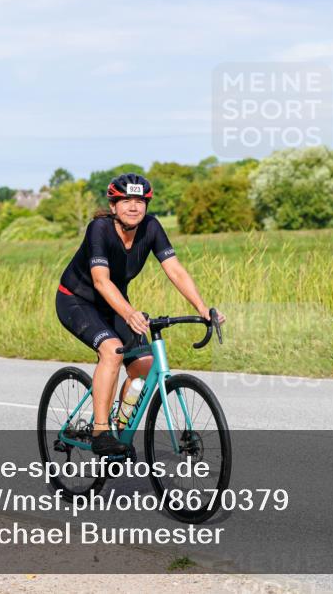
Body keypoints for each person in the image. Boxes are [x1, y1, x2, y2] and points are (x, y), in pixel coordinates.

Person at [55, 172, 225, 456]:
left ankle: (121, 428)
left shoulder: (152, 228)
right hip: (77, 301)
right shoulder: (99, 229)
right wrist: (130, 312)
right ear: (113, 206)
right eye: (126, 201)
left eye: (140, 201)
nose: (134, 207)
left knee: (144, 367)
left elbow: (174, 269)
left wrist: (201, 307)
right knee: (112, 351)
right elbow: (100, 281)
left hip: (115, 303)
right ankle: (100, 430)